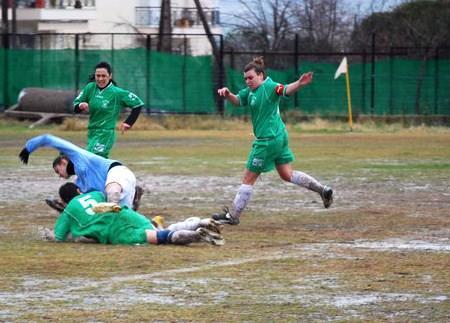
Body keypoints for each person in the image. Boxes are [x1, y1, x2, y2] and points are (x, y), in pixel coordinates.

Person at [212, 56, 333, 225]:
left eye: (251, 77)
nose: (248, 81)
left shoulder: (269, 86)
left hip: (267, 141)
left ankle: (233, 216)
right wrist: (228, 94)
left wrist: (299, 83)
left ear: (260, 75)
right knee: (287, 174)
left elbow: (284, 90)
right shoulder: (251, 91)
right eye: (245, 78)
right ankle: (323, 190)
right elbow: (238, 101)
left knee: (248, 178)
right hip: (279, 137)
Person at [43, 183, 224, 246]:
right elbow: (107, 203)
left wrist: (45, 234)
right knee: (157, 228)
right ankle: (201, 221)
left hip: (113, 231)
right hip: (124, 214)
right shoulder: (95, 194)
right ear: (78, 190)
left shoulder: (68, 210)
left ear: (65, 201)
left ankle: (197, 235)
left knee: (161, 237)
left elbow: (58, 237)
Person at [19, 134, 140, 210]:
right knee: (123, 220)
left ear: (63, 161)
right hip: (118, 186)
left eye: (57, 171)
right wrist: (65, 207)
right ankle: (155, 228)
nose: (59, 176)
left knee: (112, 202)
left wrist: (28, 148)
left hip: (117, 173)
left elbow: (48, 138)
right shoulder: (80, 182)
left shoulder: (77, 155)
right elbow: (84, 202)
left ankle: (132, 199)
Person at [73, 61, 144, 158]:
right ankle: (111, 172)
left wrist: (129, 122)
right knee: (98, 160)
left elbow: (138, 104)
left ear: (110, 76)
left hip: (106, 133)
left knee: (90, 158)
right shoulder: (90, 88)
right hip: (92, 132)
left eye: (103, 76)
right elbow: (75, 105)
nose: (100, 79)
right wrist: (81, 105)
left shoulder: (117, 93)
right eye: (97, 76)